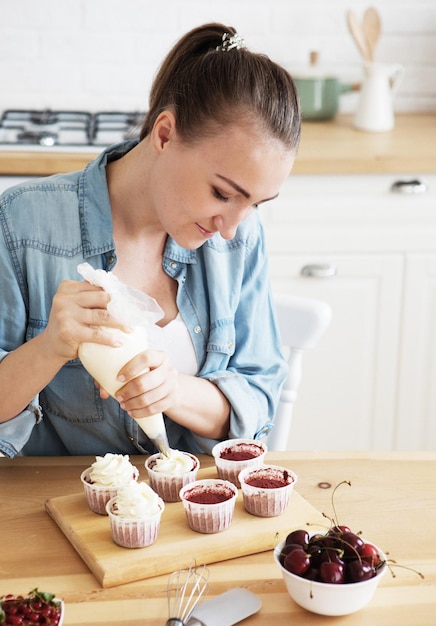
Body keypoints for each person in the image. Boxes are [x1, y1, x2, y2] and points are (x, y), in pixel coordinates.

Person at [0, 22, 301, 457]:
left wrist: (173, 391)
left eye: (257, 203)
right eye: (222, 192)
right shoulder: (23, 225)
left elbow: (258, 402)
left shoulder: (240, 238)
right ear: (164, 134)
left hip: (190, 512)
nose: (232, 226)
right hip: (58, 512)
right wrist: (48, 348)